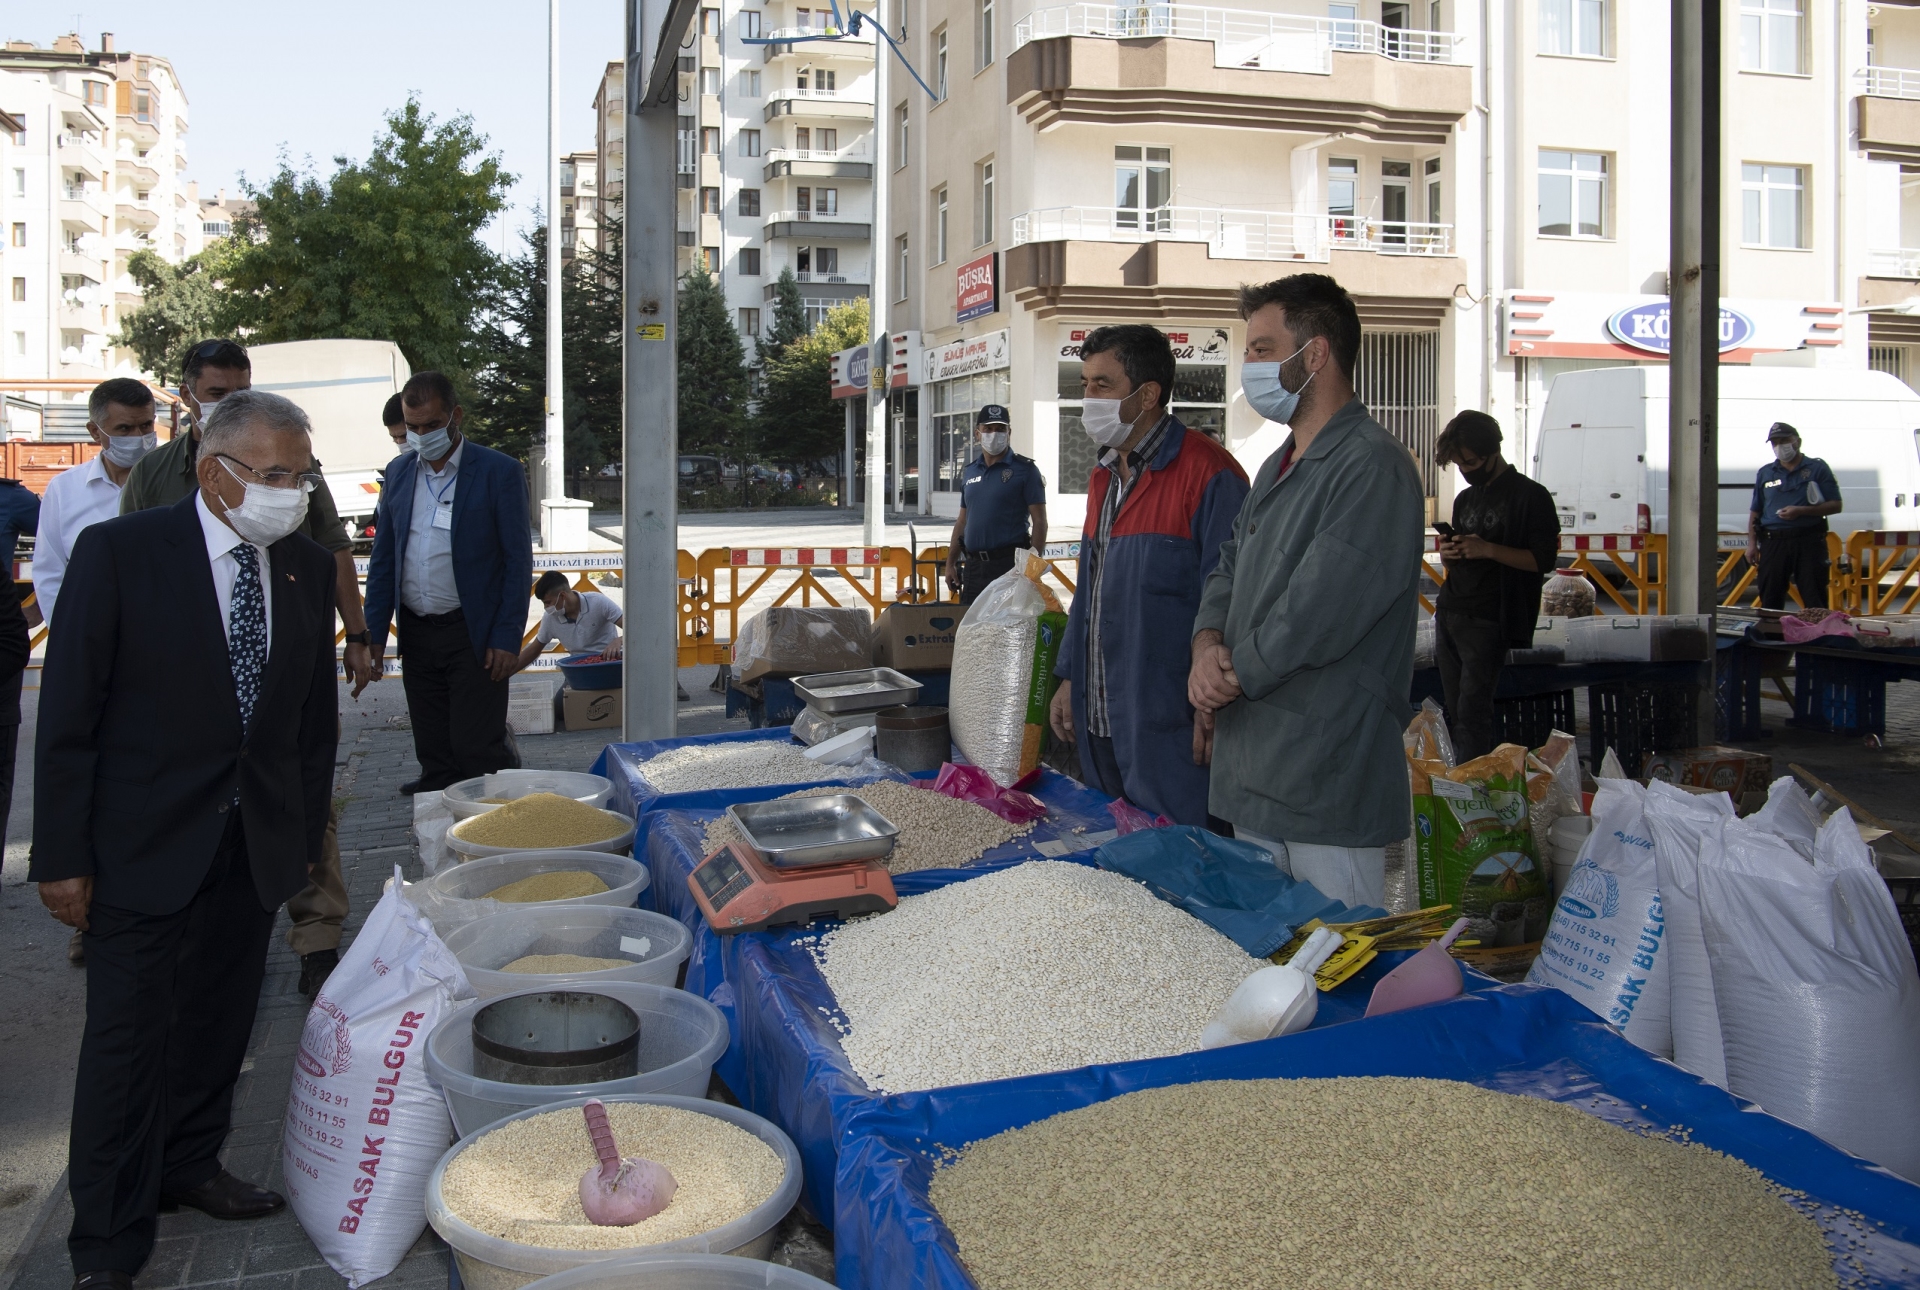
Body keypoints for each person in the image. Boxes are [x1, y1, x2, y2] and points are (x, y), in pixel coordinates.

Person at [32, 389, 338, 1288]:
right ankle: (108, 1241)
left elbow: (310, 726)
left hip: (252, 847)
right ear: (215, 472)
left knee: (220, 1023)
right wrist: (61, 858)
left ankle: (192, 1162)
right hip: (139, 846)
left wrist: (304, 842)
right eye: (276, 476)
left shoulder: (306, 571)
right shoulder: (121, 553)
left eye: (302, 475)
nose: (294, 493)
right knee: (127, 1046)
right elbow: (69, 716)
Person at [120, 340, 365, 999]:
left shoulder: (291, 467)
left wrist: (358, 632)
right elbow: (134, 577)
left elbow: (333, 553)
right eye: (217, 390)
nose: (231, 399)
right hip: (188, 697)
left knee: (305, 813)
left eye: (241, 386)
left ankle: (317, 941)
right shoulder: (157, 476)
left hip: (275, 680)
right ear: (190, 396)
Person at [1187, 273, 1424, 908]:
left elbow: (1320, 609)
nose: (1248, 366)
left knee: (1335, 966)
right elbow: (1227, 566)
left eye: (1262, 349)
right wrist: (1206, 644)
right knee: (1270, 967)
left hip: (1326, 774)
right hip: (1256, 770)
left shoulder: (1372, 466)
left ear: (1314, 354)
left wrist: (1229, 675)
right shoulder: (1278, 463)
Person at [1047, 325, 1250, 825]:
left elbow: (1233, 600)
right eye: (1084, 384)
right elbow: (1088, 593)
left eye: (1102, 385)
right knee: (1115, 867)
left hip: (1171, 727)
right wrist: (1069, 677)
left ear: (1148, 394)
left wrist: (1217, 707)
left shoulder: (1210, 474)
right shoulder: (1102, 478)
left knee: (1182, 872)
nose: (1087, 398)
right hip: (1099, 725)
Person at [364, 371, 533, 795]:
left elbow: (517, 561)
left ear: (455, 416)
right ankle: (439, 827)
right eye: (413, 427)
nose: (420, 436)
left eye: (431, 426)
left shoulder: (499, 472)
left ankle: (495, 826)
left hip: (473, 635)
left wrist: (507, 637)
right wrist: (371, 636)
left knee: (476, 748)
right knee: (434, 746)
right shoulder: (399, 473)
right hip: (418, 633)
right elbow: (384, 558)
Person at [1431, 411, 1560, 762]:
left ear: (1493, 453)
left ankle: (1471, 788)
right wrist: (1451, 552)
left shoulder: (1531, 497)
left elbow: (1542, 560)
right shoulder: (1465, 500)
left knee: (1472, 713)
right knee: (1455, 710)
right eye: (1458, 464)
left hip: (1491, 617)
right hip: (1452, 610)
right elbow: (1452, 563)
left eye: (1469, 462)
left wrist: (1488, 549)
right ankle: (1460, 779)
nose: (1465, 470)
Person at [34, 379, 159, 626]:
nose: (139, 437)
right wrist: (67, 634)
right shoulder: (64, 490)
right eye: (124, 429)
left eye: (146, 425)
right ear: (95, 431)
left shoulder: (177, 482)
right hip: (90, 633)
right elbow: (50, 573)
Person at [944, 405, 1049, 605]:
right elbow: (962, 522)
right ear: (978, 433)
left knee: (1005, 631)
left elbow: (1040, 521)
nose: (994, 434)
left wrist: (1032, 568)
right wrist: (951, 564)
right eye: (988, 429)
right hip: (974, 568)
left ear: (1009, 433)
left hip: (1009, 567)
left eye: (1000, 429)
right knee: (971, 632)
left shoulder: (1025, 470)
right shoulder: (970, 471)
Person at [1747, 421, 1841, 611]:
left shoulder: (1817, 469)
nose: (1780, 447)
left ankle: (1818, 637)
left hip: (1808, 541)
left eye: (1784, 441)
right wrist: (1751, 544)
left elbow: (1836, 505)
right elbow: (1756, 510)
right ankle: (1770, 638)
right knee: (1770, 597)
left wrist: (1802, 511)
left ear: (1797, 441)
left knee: (1814, 596)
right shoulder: (1766, 473)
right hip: (1774, 542)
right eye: (1775, 443)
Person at [517, 571, 623, 670]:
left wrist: (619, 640)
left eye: (548, 602)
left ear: (562, 596)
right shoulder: (550, 618)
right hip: (579, 670)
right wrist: (506, 674)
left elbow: (635, 628)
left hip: (609, 665)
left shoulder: (599, 602)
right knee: (565, 690)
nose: (546, 607)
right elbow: (533, 650)